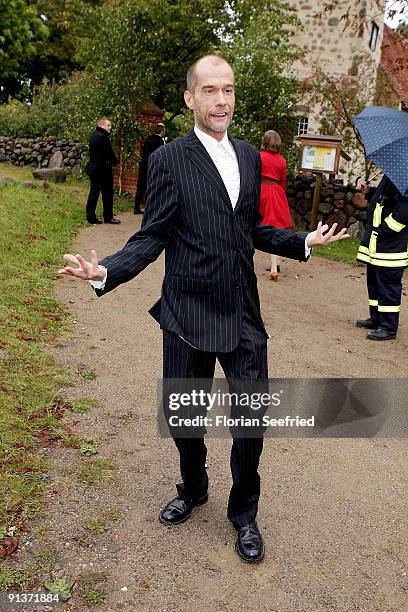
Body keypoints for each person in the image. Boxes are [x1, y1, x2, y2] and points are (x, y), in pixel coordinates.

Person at [59, 55, 348, 564]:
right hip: (187, 313)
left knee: (250, 424)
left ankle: (243, 514)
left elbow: (250, 228)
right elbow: (153, 235)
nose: (222, 100)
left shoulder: (250, 156)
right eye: (210, 90)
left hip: (241, 313)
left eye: (229, 90)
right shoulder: (168, 160)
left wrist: (301, 239)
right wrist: (106, 271)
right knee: (185, 419)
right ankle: (193, 488)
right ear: (191, 99)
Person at [356, 174, 408, 340]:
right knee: (374, 283)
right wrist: (369, 191)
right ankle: (377, 318)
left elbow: (404, 211)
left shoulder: (405, 176)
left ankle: (388, 327)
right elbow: (384, 199)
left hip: (391, 247)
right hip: (377, 245)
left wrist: (385, 229)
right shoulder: (394, 173)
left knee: (388, 286)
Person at [259, 130, 292, 281]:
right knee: (276, 230)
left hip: (260, 191)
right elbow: (282, 182)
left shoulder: (259, 157)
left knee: (251, 225)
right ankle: (274, 267)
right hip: (276, 193)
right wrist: (281, 197)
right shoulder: (282, 161)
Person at [85, 117, 121, 225]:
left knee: (94, 193)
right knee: (107, 193)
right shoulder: (102, 137)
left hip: (94, 168)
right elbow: (108, 153)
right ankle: (108, 217)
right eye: (108, 125)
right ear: (102, 125)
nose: (110, 128)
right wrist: (115, 161)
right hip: (102, 170)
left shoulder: (94, 135)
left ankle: (90, 216)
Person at [134, 122, 166, 214]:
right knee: (151, 187)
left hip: (144, 165)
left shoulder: (148, 139)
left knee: (141, 187)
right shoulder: (159, 141)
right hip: (153, 166)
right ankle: (150, 208)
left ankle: (136, 207)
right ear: (161, 131)